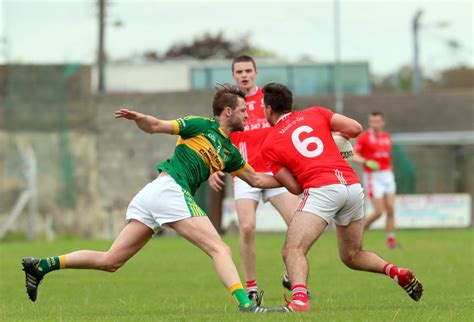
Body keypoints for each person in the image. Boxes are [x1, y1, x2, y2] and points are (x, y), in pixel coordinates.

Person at [21, 85, 296, 313]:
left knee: (110, 261)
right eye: (242, 110)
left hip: (156, 193)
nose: (248, 115)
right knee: (220, 249)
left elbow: (258, 180)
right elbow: (156, 126)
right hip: (168, 190)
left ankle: (42, 265)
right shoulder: (201, 125)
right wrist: (140, 118)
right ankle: (247, 306)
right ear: (227, 112)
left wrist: (300, 180)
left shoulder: (230, 152)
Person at [259, 83, 423, 313]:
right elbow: (355, 128)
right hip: (352, 186)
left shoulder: (269, 144)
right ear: (290, 104)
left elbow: (295, 187)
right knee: (352, 256)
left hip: (323, 189)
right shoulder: (316, 112)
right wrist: (332, 136)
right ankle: (395, 272)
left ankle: (299, 302)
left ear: (268, 110)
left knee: (292, 250)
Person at [208, 55, 300, 302]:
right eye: (239, 72)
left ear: (256, 73)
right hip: (245, 175)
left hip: (274, 172)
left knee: (299, 223)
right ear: (233, 75)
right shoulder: (230, 106)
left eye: (248, 70)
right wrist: (214, 168)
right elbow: (217, 138)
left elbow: (287, 129)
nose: (244, 75)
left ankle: (291, 270)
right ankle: (251, 288)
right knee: (247, 228)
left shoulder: (267, 101)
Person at [352, 112, 398, 248]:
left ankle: (391, 242)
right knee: (379, 211)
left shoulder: (386, 137)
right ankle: (357, 236)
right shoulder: (365, 137)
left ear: (382, 122)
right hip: (373, 177)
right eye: (372, 122)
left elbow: (388, 158)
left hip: (387, 175)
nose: (374, 124)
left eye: (377, 121)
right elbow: (353, 154)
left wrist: (391, 172)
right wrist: (365, 161)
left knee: (390, 209)